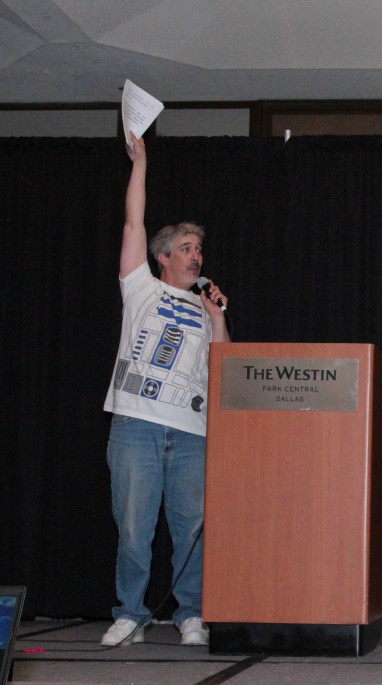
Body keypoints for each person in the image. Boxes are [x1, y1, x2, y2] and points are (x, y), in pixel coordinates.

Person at [101, 133, 230, 647]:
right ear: (162, 257)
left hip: (193, 431)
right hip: (137, 425)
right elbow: (133, 222)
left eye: (199, 249)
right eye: (186, 248)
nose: (196, 256)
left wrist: (217, 317)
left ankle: (191, 614)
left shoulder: (206, 305)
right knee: (134, 526)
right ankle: (130, 614)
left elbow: (223, 366)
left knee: (191, 528)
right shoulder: (141, 287)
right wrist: (140, 163)